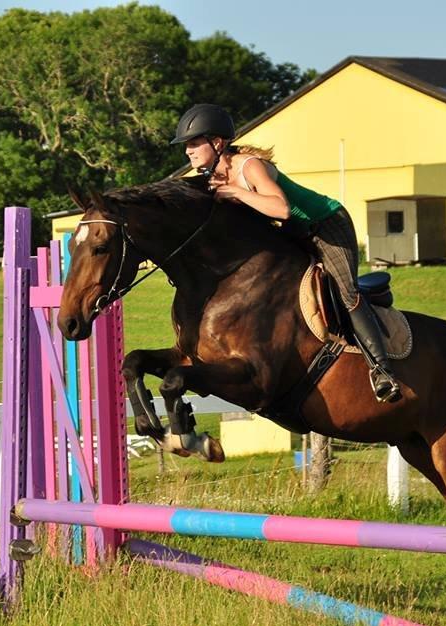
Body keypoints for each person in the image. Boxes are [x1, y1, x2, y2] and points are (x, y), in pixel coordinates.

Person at [170, 103, 401, 403]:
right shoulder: (213, 177)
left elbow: (281, 209)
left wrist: (238, 193)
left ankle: (381, 370)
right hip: (293, 233)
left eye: (193, 143)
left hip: (327, 225)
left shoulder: (248, 166)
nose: (188, 151)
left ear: (217, 143)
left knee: (345, 293)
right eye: (186, 146)